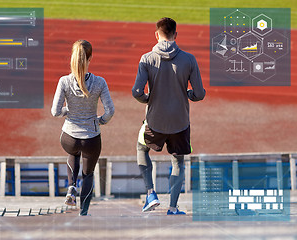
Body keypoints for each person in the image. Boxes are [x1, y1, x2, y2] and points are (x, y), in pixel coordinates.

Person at [132, 17, 205, 215]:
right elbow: (199, 93)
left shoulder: (146, 59)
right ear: (176, 35)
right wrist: (186, 94)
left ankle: (150, 193)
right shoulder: (189, 59)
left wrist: (149, 99)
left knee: (141, 148)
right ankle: (173, 207)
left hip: (154, 121)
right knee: (178, 161)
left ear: (156, 35)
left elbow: (137, 91)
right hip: (180, 122)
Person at [51, 40, 115, 216]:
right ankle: (84, 212)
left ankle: (71, 187)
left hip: (69, 137)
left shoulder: (64, 81)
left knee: (73, 153)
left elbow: (55, 111)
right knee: (88, 174)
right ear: (90, 58)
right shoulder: (99, 82)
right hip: (91, 138)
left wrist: (67, 110)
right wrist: (100, 121)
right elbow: (111, 110)